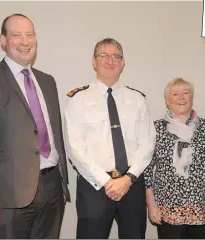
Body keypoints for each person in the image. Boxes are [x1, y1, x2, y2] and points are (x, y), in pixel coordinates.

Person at [64, 38, 156, 239]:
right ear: (94, 61)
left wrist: (128, 179)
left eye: (116, 56)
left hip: (131, 185)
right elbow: (75, 148)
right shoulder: (78, 99)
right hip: (94, 186)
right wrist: (106, 181)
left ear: (123, 63)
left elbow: (148, 142)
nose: (110, 60)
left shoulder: (137, 99)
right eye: (103, 55)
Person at [0, 13, 70, 238]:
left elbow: (54, 133)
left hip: (53, 188)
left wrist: (62, 184)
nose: (25, 42)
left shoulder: (47, 81)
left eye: (30, 35)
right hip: (10, 196)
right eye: (16, 35)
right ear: (3, 40)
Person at [143, 78, 205, 239]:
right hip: (168, 208)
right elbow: (146, 170)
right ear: (167, 101)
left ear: (191, 98)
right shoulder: (156, 128)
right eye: (175, 94)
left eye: (185, 93)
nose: (181, 97)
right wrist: (151, 205)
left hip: (200, 207)